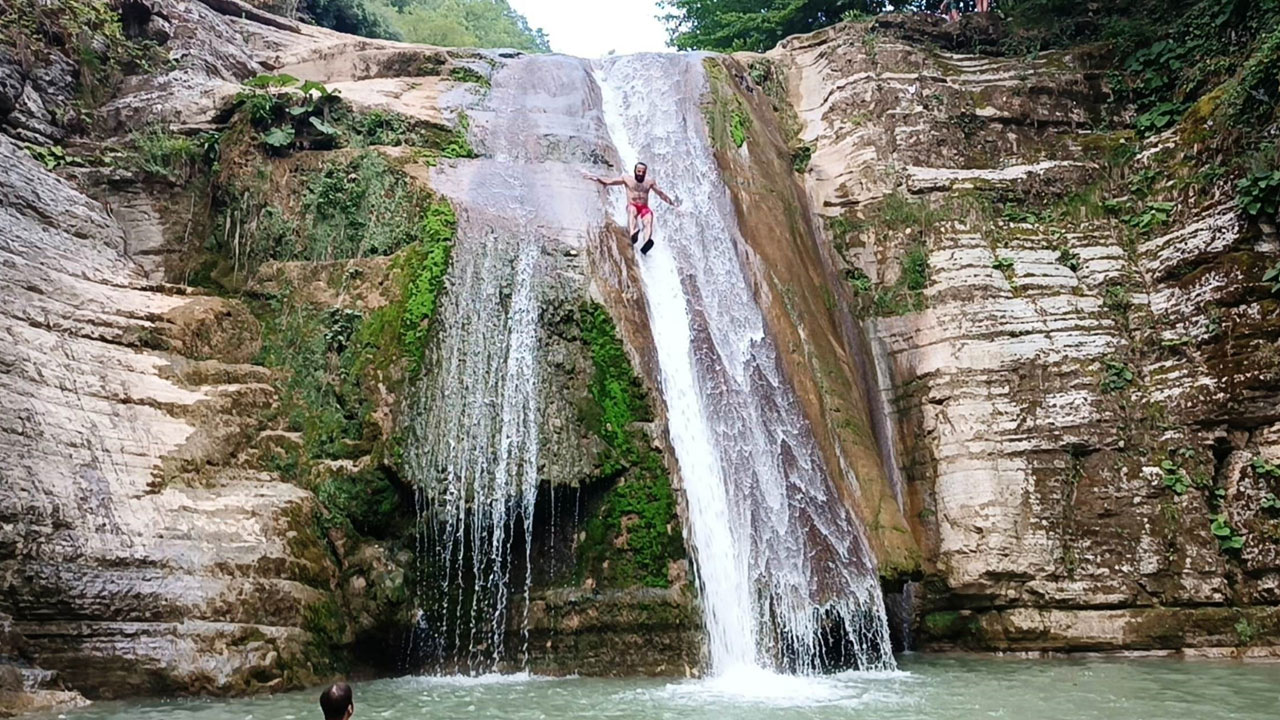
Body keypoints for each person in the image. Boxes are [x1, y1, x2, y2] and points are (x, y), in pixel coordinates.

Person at [583, 162, 679, 254]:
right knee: (632, 211)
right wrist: (594, 177)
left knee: (649, 218)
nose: (641, 174)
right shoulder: (627, 180)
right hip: (632, 206)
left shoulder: (649, 182)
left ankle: (646, 241)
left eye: (643, 172)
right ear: (635, 171)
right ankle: (633, 233)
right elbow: (609, 181)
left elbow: (661, 194)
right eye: (639, 171)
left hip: (644, 208)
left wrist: (673, 205)